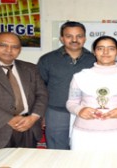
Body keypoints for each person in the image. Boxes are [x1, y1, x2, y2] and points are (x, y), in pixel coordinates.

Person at [66, 36, 117, 152]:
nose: (105, 52)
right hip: (84, 134)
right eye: (100, 48)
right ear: (94, 52)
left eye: (111, 48)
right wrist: (80, 110)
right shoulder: (80, 76)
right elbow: (71, 103)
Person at [37, 21, 96, 149]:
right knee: (57, 150)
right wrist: (41, 114)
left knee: (84, 149)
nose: (74, 40)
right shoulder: (47, 59)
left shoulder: (95, 60)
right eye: (69, 36)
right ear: (62, 38)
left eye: (79, 36)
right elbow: (40, 89)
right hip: (56, 113)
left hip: (86, 112)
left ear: (85, 38)